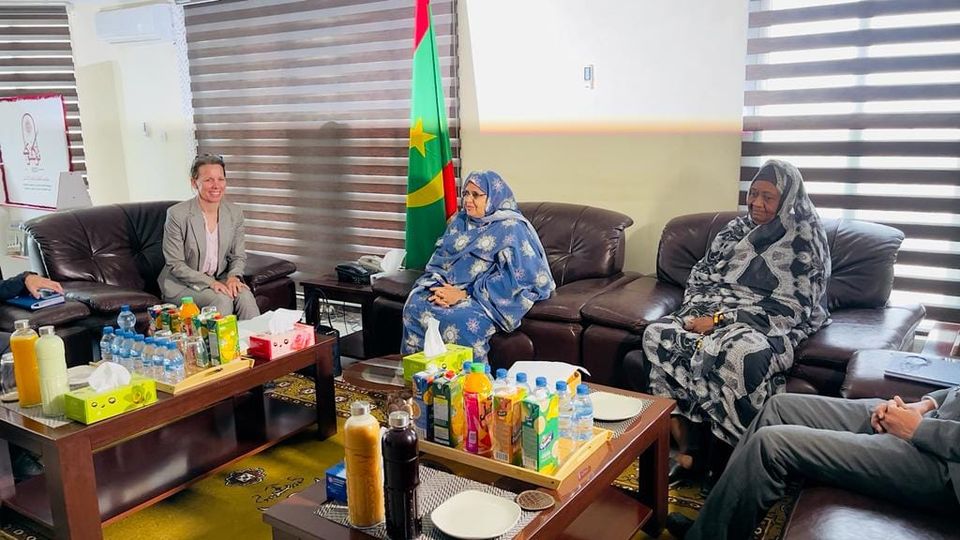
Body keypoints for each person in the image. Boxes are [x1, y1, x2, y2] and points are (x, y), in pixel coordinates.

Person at [641, 160, 831, 478]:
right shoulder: (735, 230)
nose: (756, 203)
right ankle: (689, 452)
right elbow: (703, 276)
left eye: (768, 197)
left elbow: (795, 307)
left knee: (741, 354)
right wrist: (699, 313)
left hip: (767, 323)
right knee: (657, 333)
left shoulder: (804, 239)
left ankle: (729, 466)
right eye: (753, 193)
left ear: (787, 199)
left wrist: (720, 320)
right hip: (712, 309)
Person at [667, 388, 960, 539]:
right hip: (935, 422)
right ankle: (714, 524)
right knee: (779, 405)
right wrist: (924, 405)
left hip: (946, 465)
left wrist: (918, 429)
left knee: (771, 444)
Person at [400, 170, 555, 363]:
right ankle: (419, 376)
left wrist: (464, 294)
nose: (468, 200)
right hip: (448, 288)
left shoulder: (511, 228)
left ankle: (469, 380)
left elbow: (524, 277)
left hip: (481, 297)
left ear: (493, 197)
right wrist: (439, 289)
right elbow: (441, 260)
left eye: (476, 195)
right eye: (465, 193)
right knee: (415, 305)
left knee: (462, 320)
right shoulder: (459, 222)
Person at [158, 154, 260, 320]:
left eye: (220, 179)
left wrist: (233, 277)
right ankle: (216, 338)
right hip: (182, 285)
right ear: (194, 183)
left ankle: (256, 337)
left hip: (218, 279)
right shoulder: (177, 214)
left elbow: (238, 256)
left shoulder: (235, 213)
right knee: (222, 299)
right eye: (208, 180)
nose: (216, 185)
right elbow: (175, 264)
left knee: (245, 296)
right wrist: (211, 283)